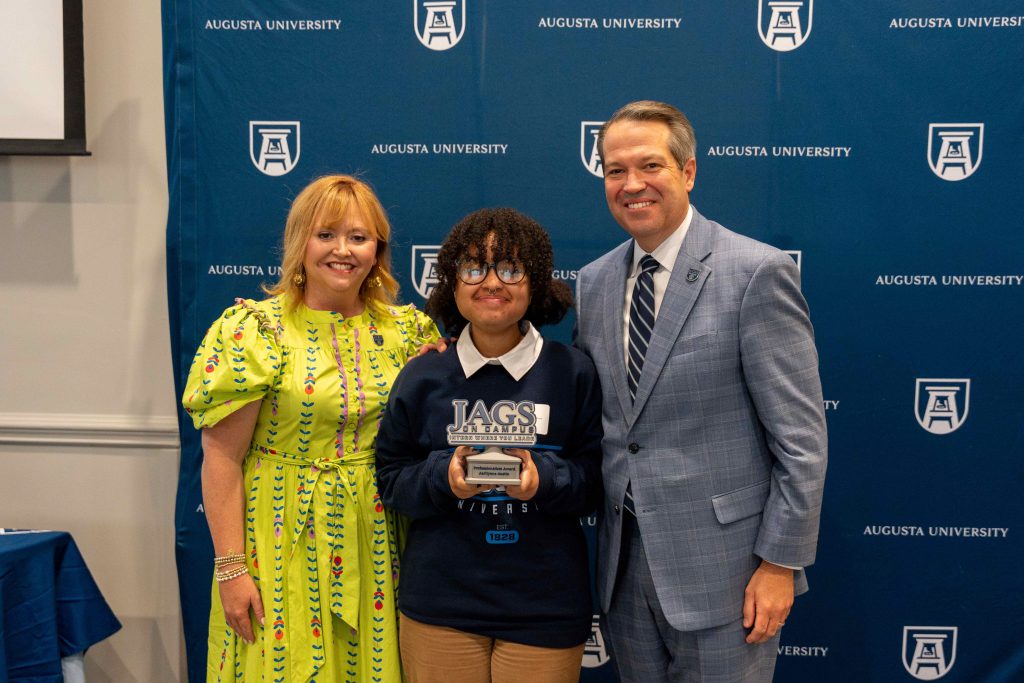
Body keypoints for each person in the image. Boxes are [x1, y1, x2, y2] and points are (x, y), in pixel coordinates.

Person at [574, 101, 828, 682]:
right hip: (623, 570)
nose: (631, 184)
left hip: (730, 575)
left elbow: (802, 441)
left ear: (688, 172)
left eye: (650, 166)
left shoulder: (754, 272)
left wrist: (780, 563)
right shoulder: (593, 283)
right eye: (615, 170)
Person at [181, 174, 440, 682]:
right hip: (276, 539)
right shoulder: (255, 329)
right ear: (300, 242)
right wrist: (232, 570)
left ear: (377, 250)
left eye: (358, 237)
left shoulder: (409, 332)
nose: (342, 251)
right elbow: (221, 459)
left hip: (378, 537)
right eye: (326, 235)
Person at [375, 208, 603, 683]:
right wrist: (444, 478)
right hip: (440, 603)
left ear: (535, 282)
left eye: (511, 269)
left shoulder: (573, 372)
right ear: (452, 284)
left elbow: (600, 479)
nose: (491, 282)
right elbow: (392, 480)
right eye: (474, 268)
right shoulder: (423, 375)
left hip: (546, 605)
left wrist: (546, 479)